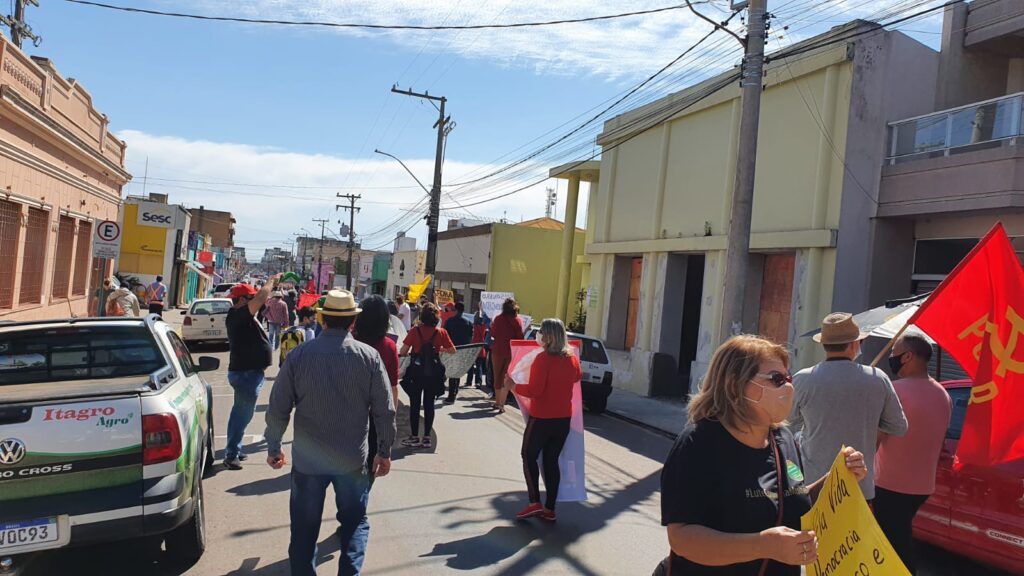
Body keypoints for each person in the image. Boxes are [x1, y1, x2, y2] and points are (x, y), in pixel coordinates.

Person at [660, 335, 869, 575]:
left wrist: (839, 477)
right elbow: (682, 538)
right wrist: (763, 545)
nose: (788, 386)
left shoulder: (783, 439)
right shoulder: (698, 443)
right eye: (776, 379)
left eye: (788, 377)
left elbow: (792, 498)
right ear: (733, 385)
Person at [265, 290, 396, 576]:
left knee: (303, 531)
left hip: (308, 463)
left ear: (322, 319)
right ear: (352, 322)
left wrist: (274, 446)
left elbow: (278, 407)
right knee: (355, 523)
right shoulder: (369, 357)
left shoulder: (299, 356)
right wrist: (384, 451)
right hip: (351, 460)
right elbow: (385, 410)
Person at [789, 312, 908, 502]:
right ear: (854, 344)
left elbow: (786, 421)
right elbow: (898, 426)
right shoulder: (878, 378)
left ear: (824, 344)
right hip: (859, 487)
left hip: (813, 487)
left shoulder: (804, 379)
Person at [874, 333, 951, 575]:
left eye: (894, 353)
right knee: (898, 535)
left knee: (891, 544)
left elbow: (877, 436)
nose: (892, 358)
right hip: (922, 487)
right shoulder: (943, 395)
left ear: (907, 356)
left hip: (889, 484)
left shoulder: (893, 391)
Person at [510, 318, 581, 523]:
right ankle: (550, 508)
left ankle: (534, 502)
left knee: (528, 455)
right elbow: (577, 377)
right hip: (563, 419)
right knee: (551, 461)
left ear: (549, 336)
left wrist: (514, 387)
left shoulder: (543, 359)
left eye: (541, 331)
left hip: (541, 417)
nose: (538, 335)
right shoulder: (571, 359)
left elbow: (535, 390)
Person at [223, 274, 280, 470]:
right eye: (250, 298)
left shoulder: (244, 317)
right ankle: (231, 455)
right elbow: (262, 297)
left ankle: (235, 449)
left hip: (250, 373)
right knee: (241, 415)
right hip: (246, 374)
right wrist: (272, 280)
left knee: (243, 414)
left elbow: (263, 300)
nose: (255, 302)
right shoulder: (238, 316)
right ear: (240, 300)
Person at [355, 295, 401, 489]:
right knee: (371, 462)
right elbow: (392, 387)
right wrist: (392, 416)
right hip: (376, 413)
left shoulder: (351, 341)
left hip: (349, 409)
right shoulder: (389, 347)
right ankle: (361, 499)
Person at [399, 303, 456, 449]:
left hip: (416, 372)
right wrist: (439, 349)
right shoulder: (441, 332)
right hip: (433, 373)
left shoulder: (414, 331)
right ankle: (427, 438)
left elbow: (404, 351)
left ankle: (414, 436)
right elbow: (452, 350)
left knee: (415, 403)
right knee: (429, 404)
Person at [491, 298, 525, 413]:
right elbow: (520, 338)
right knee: (507, 377)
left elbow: (493, 334)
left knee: (498, 376)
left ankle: (497, 401)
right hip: (511, 352)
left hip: (497, 351)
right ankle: (502, 404)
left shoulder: (498, 319)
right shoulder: (517, 320)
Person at [442, 301, 473, 404]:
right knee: (458, 371)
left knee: (451, 372)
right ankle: (454, 393)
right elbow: (470, 337)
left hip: (452, 349)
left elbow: (445, 336)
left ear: (455, 309)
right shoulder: (468, 322)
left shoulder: (449, 321)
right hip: (463, 350)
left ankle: (451, 396)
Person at [471, 303, 491, 389]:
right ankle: (482, 382)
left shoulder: (474, 327)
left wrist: (481, 309)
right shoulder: (485, 327)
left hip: (475, 346)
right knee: (482, 365)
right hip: (483, 347)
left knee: (475, 365)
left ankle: (473, 381)